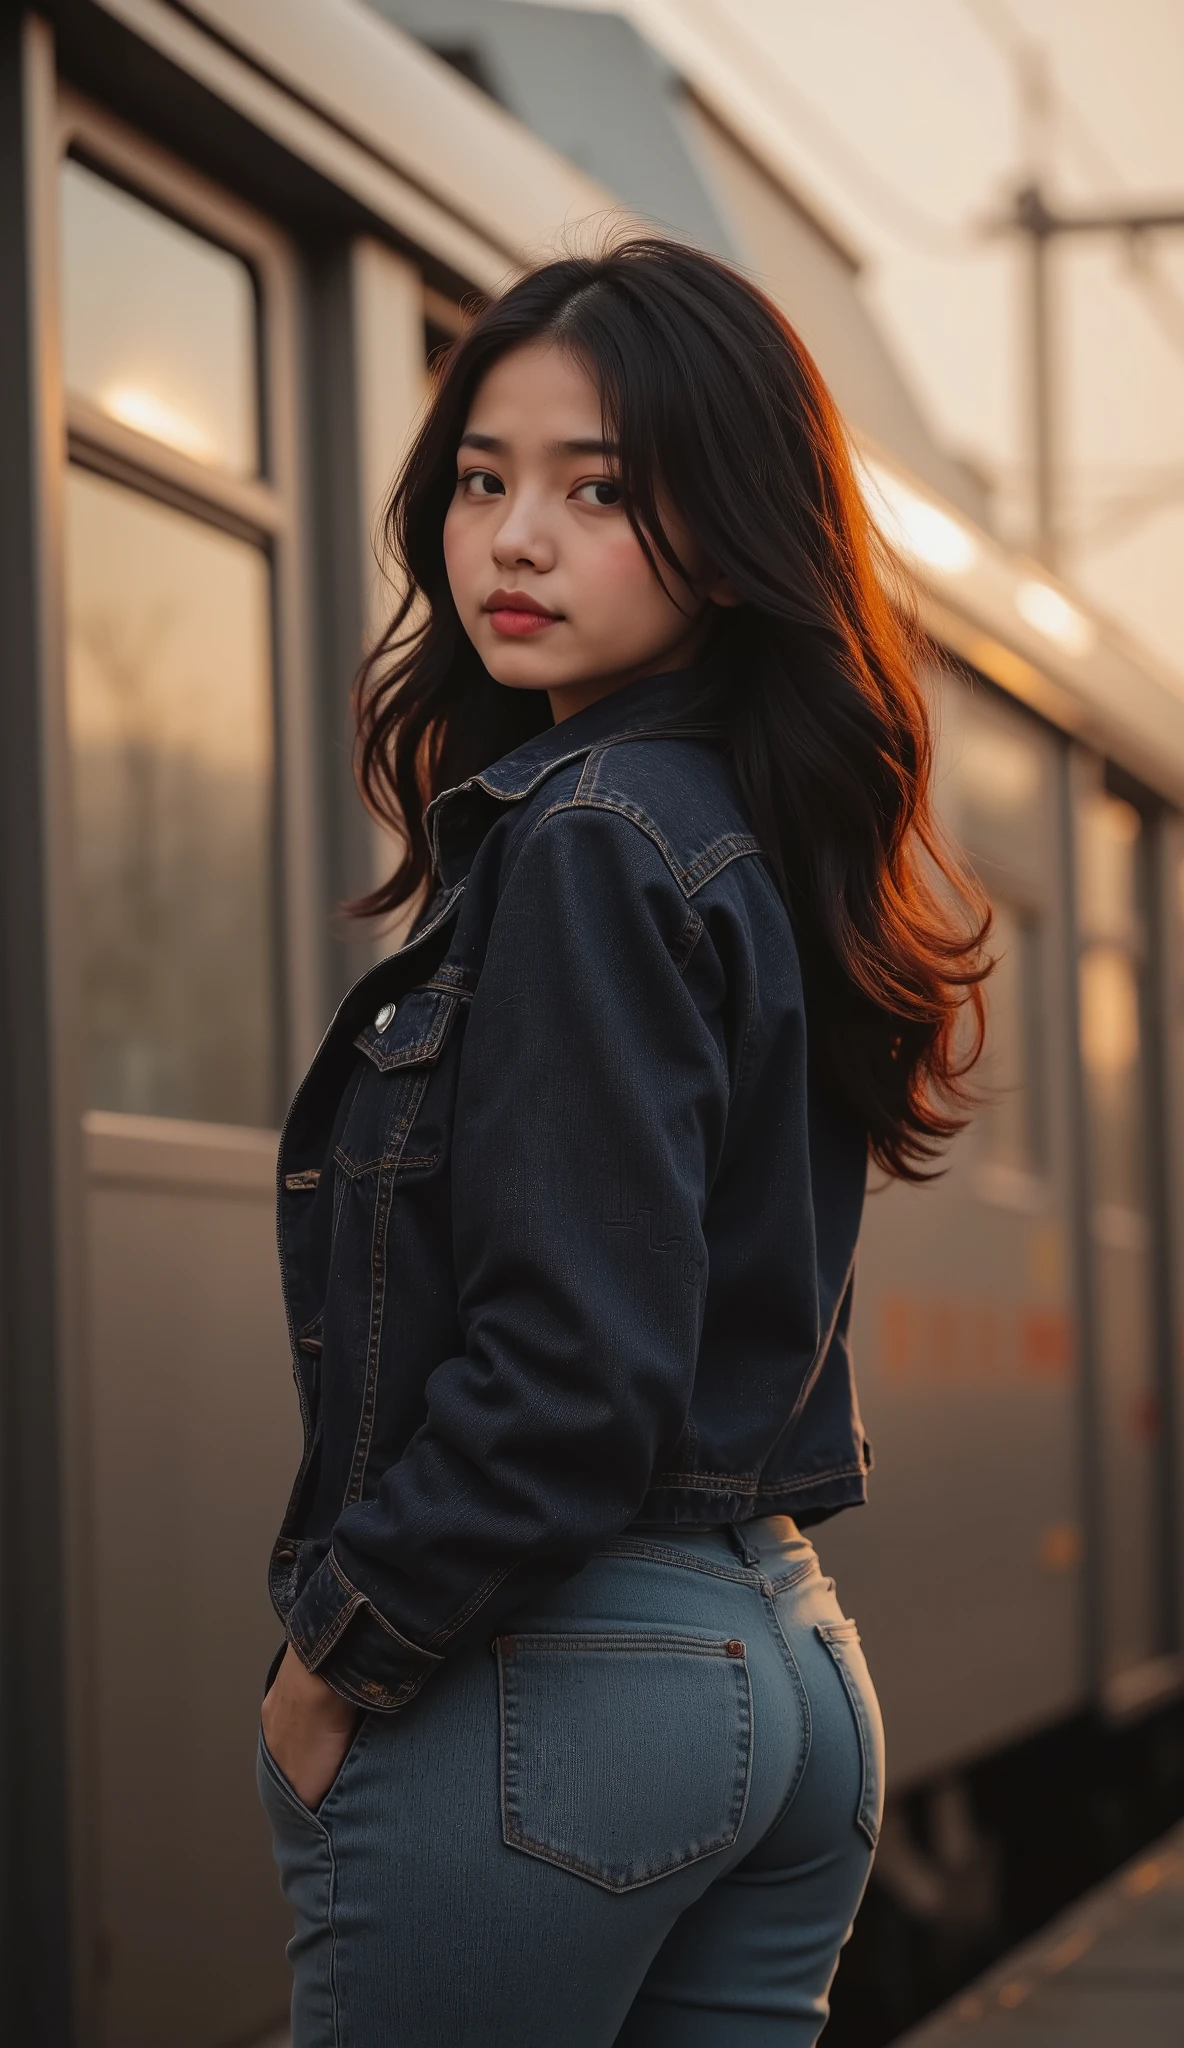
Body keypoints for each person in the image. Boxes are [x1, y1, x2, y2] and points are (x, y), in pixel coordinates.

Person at [257, 237, 989, 2047]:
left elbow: (575, 1371)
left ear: (736, 533)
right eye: (484, 481)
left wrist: (341, 1650)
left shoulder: (590, 837)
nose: (514, 538)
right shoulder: (754, 829)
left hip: (565, 1682)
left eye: (602, 491)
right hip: (793, 1657)